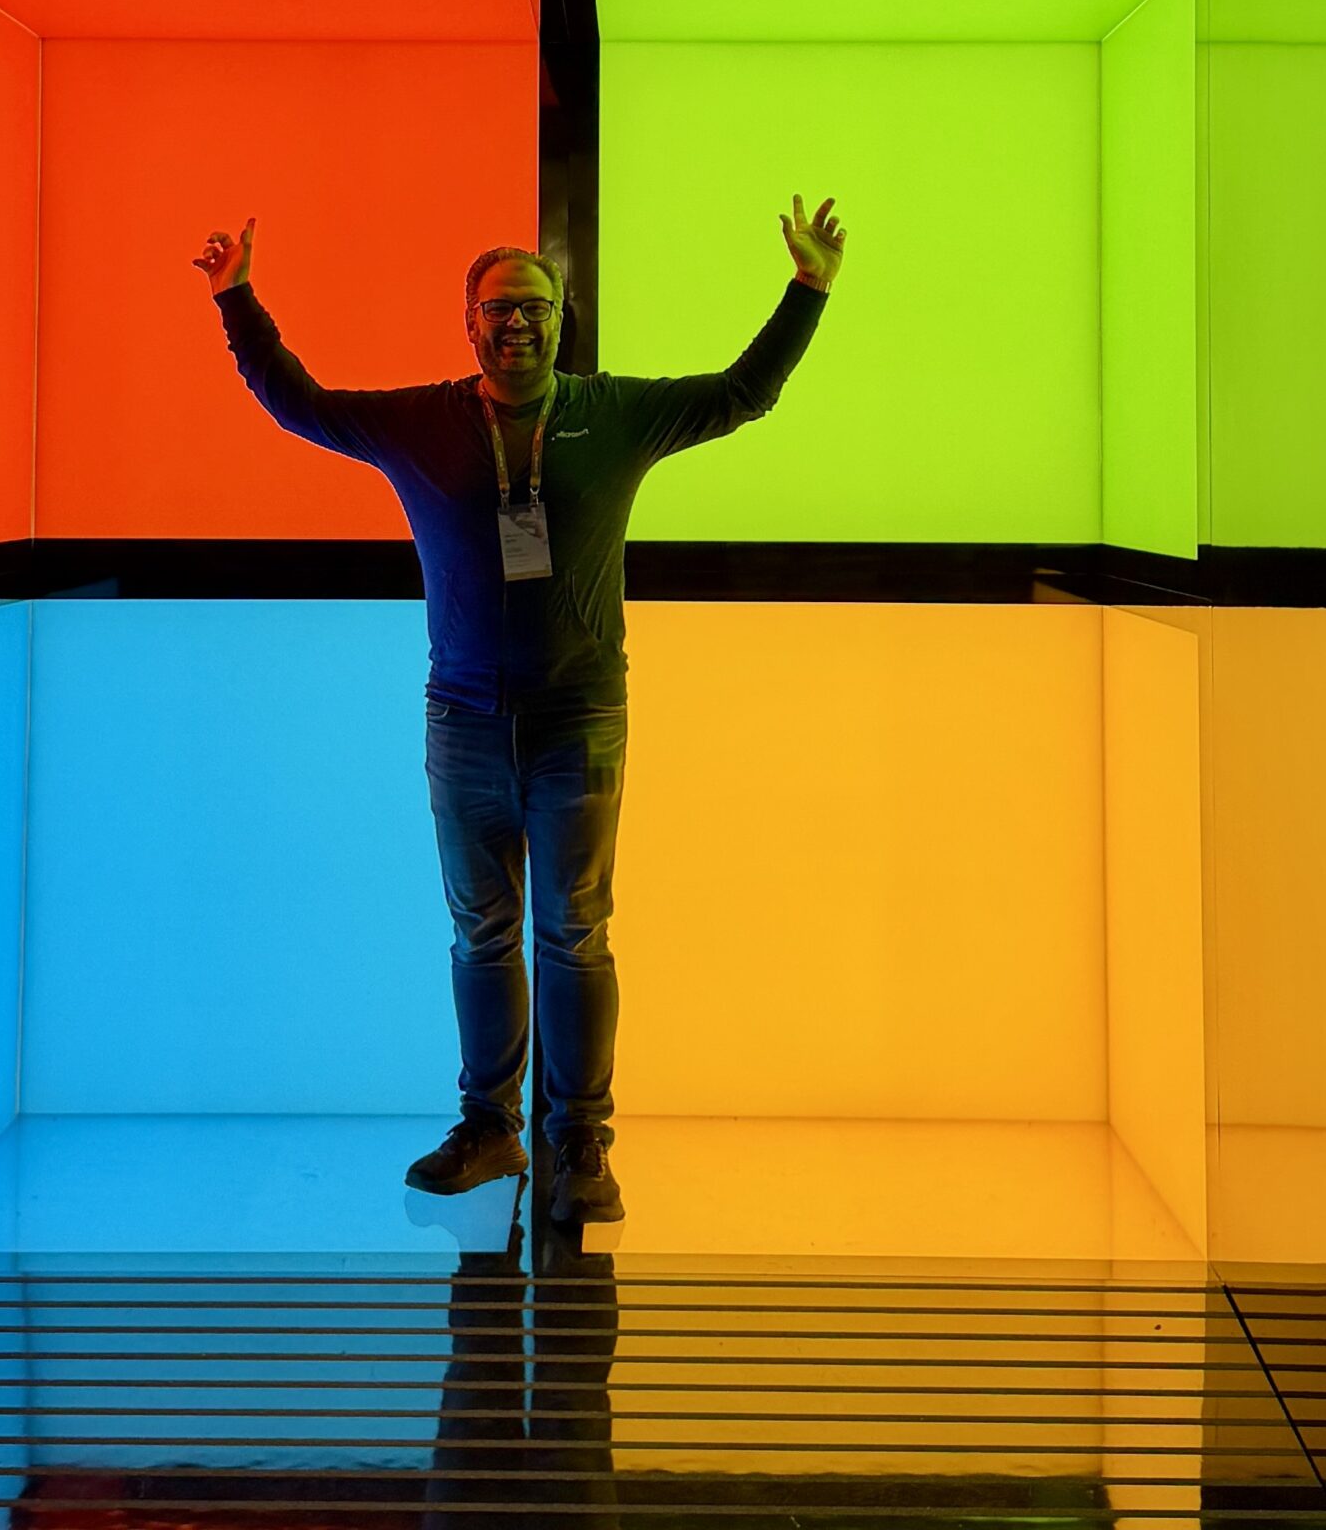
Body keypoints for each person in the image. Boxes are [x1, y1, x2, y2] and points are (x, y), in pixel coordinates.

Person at [193, 194, 844, 1227]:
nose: (517, 323)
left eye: (535, 306)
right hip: (462, 723)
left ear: (560, 318)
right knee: (481, 933)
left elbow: (740, 394)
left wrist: (806, 288)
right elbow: (300, 405)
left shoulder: (613, 414)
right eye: (498, 307)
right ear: (469, 323)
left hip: (579, 722)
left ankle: (579, 1141)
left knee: (574, 932)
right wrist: (237, 299)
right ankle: (491, 1128)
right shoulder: (423, 422)